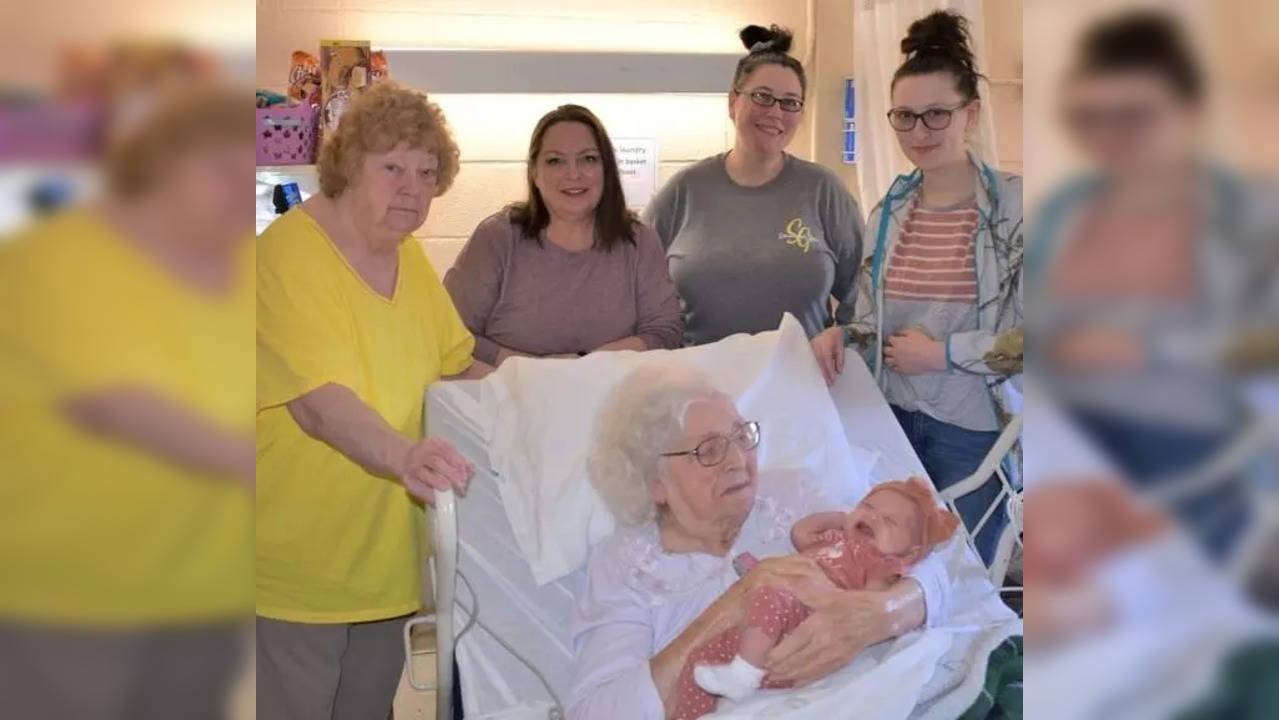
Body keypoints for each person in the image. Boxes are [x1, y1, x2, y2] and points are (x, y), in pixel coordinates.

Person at [0, 76, 254, 719]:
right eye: (221, 167)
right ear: (162, 163)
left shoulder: (242, 262)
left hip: (201, 598)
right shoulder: (59, 259)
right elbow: (125, 404)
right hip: (71, 606)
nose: (237, 190)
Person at [256, 82, 489, 720]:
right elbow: (317, 403)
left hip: (386, 565)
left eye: (427, 172)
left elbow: (459, 364)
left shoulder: (407, 258)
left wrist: (550, 387)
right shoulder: (286, 256)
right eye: (392, 168)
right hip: (299, 569)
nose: (412, 188)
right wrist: (404, 455)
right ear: (347, 166)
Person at [567, 364, 952, 719]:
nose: (739, 459)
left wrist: (884, 612)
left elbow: (923, 559)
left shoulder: (791, 494)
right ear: (656, 482)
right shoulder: (623, 567)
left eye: (741, 436)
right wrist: (737, 601)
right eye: (710, 450)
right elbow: (596, 711)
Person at [1033, 10, 1274, 560]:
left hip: (1208, 469)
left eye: (1133, 115)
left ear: (1191, 112)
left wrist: (1151, 351)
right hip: (1072, 461)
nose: (1109, 136)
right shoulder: (1066, 210)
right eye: (1090, 117)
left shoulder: (1252, 215)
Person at [846, 10, 1023, 565]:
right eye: (905, 117)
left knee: (969, 574)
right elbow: (870, 322)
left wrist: (940, 354)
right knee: (894, 571)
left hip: (971, 428)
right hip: (891, 421)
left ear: (970, 115)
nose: (919, 133)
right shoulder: (888, 211)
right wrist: (842, 337)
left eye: (936, 115)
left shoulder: (1017, 208)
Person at [643, 24, 863, 381]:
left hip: (802, 390)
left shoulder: (824, 191)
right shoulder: (683, 192)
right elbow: (636, 290)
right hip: (701, 394)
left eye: (790, 102)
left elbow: (863, 298)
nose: (775, 112)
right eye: (762, 96)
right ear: (733, 102)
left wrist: (843, 339)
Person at [680, 477, 959, 719]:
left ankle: (745, 673)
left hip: (801, 622)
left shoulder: (881, 564)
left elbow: (860, 609)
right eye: (868, 507)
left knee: (771, 595)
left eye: (888, 521)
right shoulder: (834, 539)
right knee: (701, 658)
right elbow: (800, 533)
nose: (872, 517)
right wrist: (843, 519)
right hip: (767, 618)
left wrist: (821, 593)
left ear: (909, 552)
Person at [445, 104, 682, 364]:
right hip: (511, 398)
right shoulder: (497, 239)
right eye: (555, 161)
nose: (573, 173)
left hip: (616, 399)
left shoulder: (639, 240)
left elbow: (666, 334)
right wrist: (535, 371)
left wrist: (588, 365)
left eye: (588, 158)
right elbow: (450, 334)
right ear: (534, 172)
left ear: (607, 169)